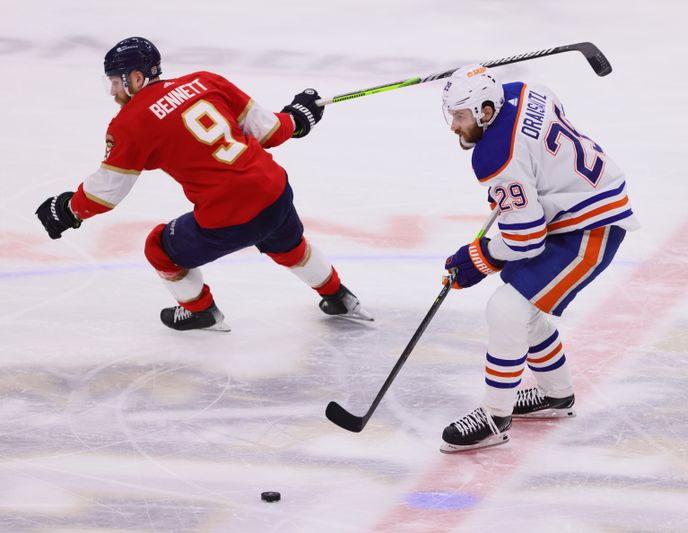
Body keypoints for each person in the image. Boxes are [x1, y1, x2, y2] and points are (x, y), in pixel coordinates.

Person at [35, 36, 372, 331]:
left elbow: (104, 194)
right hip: (275, 192)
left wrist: (67, 210)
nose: (113, 91)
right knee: (288, 245)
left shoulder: (130, 123)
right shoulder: (206, 81)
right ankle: (338, 297)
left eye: (115, 82)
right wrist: (299, 117)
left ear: (136, 77)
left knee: (159, 249)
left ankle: (201, 313)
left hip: (231, 214)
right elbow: (269, 131)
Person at [438, 65, 639, 453]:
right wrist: (522, 189)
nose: (454, 127)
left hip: (590, 228)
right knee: (521, 302)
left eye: (460, 117)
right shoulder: (525, 90)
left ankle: (495, 417)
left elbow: (526, 239)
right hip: (579, 205)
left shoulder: (495, 156)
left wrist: (478, 258)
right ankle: (555, 395)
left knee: (507, 308)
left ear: (484, 111)